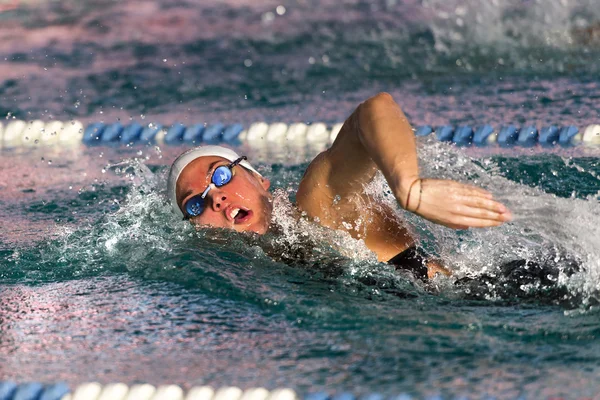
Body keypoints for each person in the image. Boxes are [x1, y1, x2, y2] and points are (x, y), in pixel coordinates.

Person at [167, 93, 513, 280]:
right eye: (195, 204)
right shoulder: (263, 270)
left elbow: (374, 110)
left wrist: (410, 189)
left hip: (505, 295)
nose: (217, 198)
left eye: (221, 176)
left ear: (259, 178)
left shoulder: (315, 202)